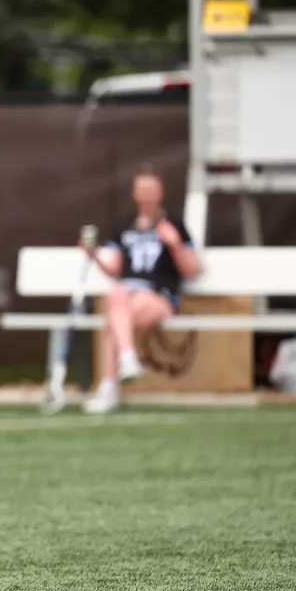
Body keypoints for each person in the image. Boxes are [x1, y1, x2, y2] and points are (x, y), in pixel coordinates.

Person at [80, 164, 201, 414]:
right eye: (141, 189)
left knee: (112, 321)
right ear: (134, 194)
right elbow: (113, 270)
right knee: (116, 295)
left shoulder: (174, 225)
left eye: (151, 189)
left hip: (159, 296)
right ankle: (127, 361)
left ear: (160, 193)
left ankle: (110, 387)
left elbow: (192, 269)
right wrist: (93, 256)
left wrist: (175, 244)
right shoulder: (123, 227)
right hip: (127, 296)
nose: (146, 194)